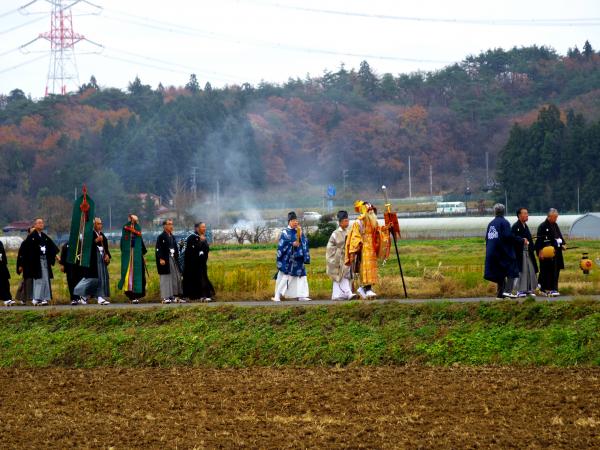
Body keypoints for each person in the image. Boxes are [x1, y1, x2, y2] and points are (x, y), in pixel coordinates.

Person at [345, 201, 389, 299]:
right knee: (365, 268)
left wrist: (387, 228)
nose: (372, 212)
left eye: (372, 211)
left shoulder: (373, 221)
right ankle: (367, 289)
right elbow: (355, 236)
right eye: (370, 211)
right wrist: (358, 245)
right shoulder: (358, 222)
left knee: (371, 268)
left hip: (371, 246)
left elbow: (379, 230)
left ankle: (364, 288)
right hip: (364, 247)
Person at [484, 204, 527, 300]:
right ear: (504, 211)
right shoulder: (504, 222)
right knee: (513, 270)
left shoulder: (491, 224)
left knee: (500, 273)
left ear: (494, 212)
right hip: (502, 252)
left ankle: (500, 295)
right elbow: (508, 236)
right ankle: (507, 291)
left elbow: (487, 239)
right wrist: (521, 240)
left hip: (492, 253)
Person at [18, 218, 60, 306]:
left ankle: (45, 298)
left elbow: (51, 246)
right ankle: (36, 298)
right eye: (39, 223)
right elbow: (26, 252)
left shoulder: (44, 236)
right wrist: (23, 264)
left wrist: (56, 256)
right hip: (36, 262)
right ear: (35, 225)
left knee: (45, 279)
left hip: (44, 260)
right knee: (38, 280)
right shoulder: (31, 237)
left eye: (42, 223)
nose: (41, 224)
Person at [273, 211, 311, 302]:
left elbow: (305, 241)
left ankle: (302, 295)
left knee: (302, 276)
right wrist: (292, 244)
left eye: (296, 220)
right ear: (289, 221)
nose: (295, 222)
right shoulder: (285, 232)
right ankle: (277, 295)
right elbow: (282, 245)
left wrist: (301, 236)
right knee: (286, 277)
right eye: (293, 220)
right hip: (289, 258)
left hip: (299, 257)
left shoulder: (298, 231)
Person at [73, 217, 112, 305]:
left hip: (101, 259)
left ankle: (99, 297)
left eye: (101, 223)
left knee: (102, 278)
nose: (100, 225)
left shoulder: (101, 234)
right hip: (93, 261)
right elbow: (85, 247)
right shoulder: (89, 234)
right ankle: (84, 295)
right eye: (98, 224)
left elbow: (106, 248)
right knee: (93, 279)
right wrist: (95, 241)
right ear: (94, 225)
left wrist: (107, 255)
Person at [535, 208, 566, 297]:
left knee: (556, 271)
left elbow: (559, 236)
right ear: (549, 216)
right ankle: (543, 288)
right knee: (546, 271)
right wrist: (540, 251)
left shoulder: (555, 225)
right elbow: (539, 240)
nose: (556, 219)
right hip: (546, 253)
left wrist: (563, 244)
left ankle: (554, 289)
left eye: (557, 217)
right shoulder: (543, 226)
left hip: (556, 252)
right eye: (555, 217)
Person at [326, 210, 356, 300]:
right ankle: (348, 293)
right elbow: (330, 248)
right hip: (338, 259)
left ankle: (337, 295)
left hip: (347, 258)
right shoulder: (335, 233)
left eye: (348, 220)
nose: (347, 222)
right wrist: (340, 251)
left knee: (345, 275)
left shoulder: (349, 232)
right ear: (340, 222)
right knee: (341, 275)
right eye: (345, 221)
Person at [118, 214, 147, 303]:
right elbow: (123, 245)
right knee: (129, 276)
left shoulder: (138, 232)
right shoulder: (126, 230)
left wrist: (142, 255)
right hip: (129, 258)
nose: (134, 222)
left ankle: (137, 296)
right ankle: (132, 296)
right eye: (133, 220)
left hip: (138, 258)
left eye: (136, 220)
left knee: (139, 276)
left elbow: (142, 246)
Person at [183, 222, 215, 302]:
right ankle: (201, 296)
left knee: (203, 278)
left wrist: (202, 242)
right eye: (202, 227)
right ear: (197, 228)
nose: (204, 228)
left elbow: (206, 249)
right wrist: (200, 242)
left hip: (202, 263)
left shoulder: (203, 237)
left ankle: (204, 295)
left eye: (205, 227)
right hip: (193, 264)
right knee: (198, 279)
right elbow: (191, 251)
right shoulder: (192, 237)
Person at [511, 208, 538, 297]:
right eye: (525, 213)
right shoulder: (516, 226)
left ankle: (528, 289)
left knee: (529, 270)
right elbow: (512, 238)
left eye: (527, 213)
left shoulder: (525, 226)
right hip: (520, 253)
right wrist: (522, 240)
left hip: (527, 252)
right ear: (519, 215)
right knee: (522, 270)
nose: (527, 215)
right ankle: (520, 290)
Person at [156, 219, 183, 304]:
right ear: (164, 226)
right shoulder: (161, 236)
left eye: (172, 224)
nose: (171, 226)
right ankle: (165, 297)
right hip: (165, 259)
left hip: (173, 258)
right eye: (169, 224)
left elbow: (175, 248)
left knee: (176, 277)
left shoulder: (172, 236)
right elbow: (158, 248)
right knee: (166, 278)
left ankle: (175, 296)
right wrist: (161, 258)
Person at [15, 226, 35, 305]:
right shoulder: (25, 242)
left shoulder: (38, 241)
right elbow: (21, 254)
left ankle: (33, 298)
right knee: (26, 282)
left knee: (34, 282)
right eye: (32, 231)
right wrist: (20, 265)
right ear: (29, 233)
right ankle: (23, 299)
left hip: (35, 265)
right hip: (27, 266)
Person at [0, 239, 13, 306]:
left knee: (5, 282)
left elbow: (3, 255)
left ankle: (8, 298)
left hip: (2, 266)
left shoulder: (0, 243)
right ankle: (6, 299)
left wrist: (5, 264)